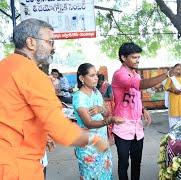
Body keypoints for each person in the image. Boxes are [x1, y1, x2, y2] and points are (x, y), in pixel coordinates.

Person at [0, 18, 108, 179]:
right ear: (31, 42)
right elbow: (62, 131)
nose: (53, 47)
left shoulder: (5, 66)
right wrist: (94, 139)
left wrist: (43, 134)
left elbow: (16, 113)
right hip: (18, 166)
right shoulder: (33, 75)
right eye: (50, 41)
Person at [111, 42, 179, 180]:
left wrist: (143, 110)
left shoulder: (136, 74)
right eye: (134, 57)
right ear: (123, 58)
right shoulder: (119, 74)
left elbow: (136, 95)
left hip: (137, 126)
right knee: (124, 162)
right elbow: (140, 86)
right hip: (122, 125)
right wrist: (168, 74)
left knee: (137, 162)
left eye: (138, 57)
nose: (138, 60)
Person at [73, 63, 125, 179]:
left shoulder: (96, 92)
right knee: (91, 175)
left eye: (96, 75)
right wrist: (110, 120)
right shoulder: (79, 97)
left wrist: (101, 109)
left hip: (101, 142)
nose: (96, 78)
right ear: (82, 78)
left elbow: (106, 113)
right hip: (88, 146)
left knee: (105, 174)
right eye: (92, 75)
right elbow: (89, 123)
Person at [164, 64, 181, 128]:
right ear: (177, 70)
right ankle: (173, 131)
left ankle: (180, 131)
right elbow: (166, 87)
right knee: (173, 116)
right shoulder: (171, 79)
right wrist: (174, 91)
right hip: (174, 100)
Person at [97, 74, 115, 144]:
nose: (99, 83)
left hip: (107, 106)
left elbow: (111, 98)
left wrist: (103, 98)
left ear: (103, 80)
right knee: (102, 121)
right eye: (99, 82)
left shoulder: (108, 86)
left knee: (108, 122)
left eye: (101, 82)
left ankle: (110, 138)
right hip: (101, 106)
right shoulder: (97, 86)